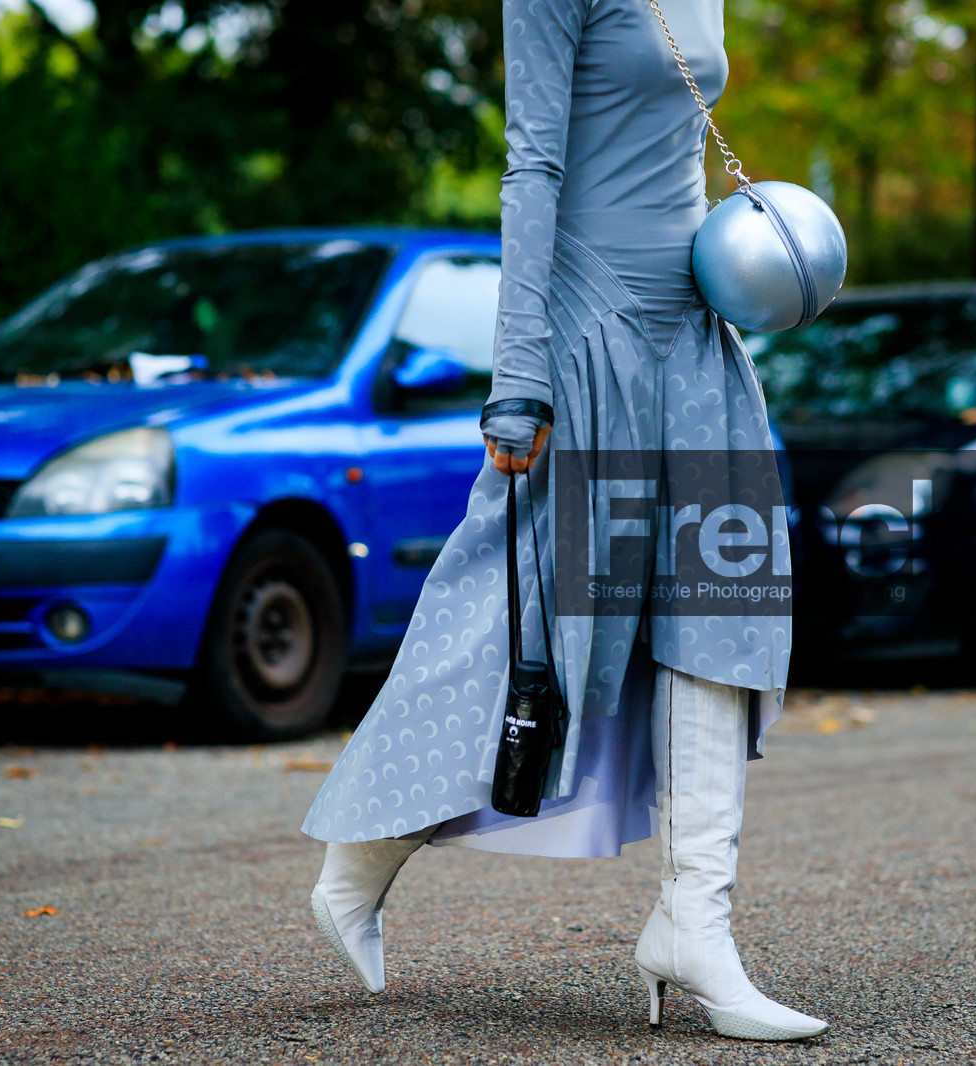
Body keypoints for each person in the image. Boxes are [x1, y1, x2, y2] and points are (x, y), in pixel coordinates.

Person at [300, 0, 827, 1042]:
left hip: (691, 331)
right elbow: (530, 168)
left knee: (724, 602)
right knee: (520, 627)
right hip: (587, 329)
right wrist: (519, 377)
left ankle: (694, 924)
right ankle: (355, 864)